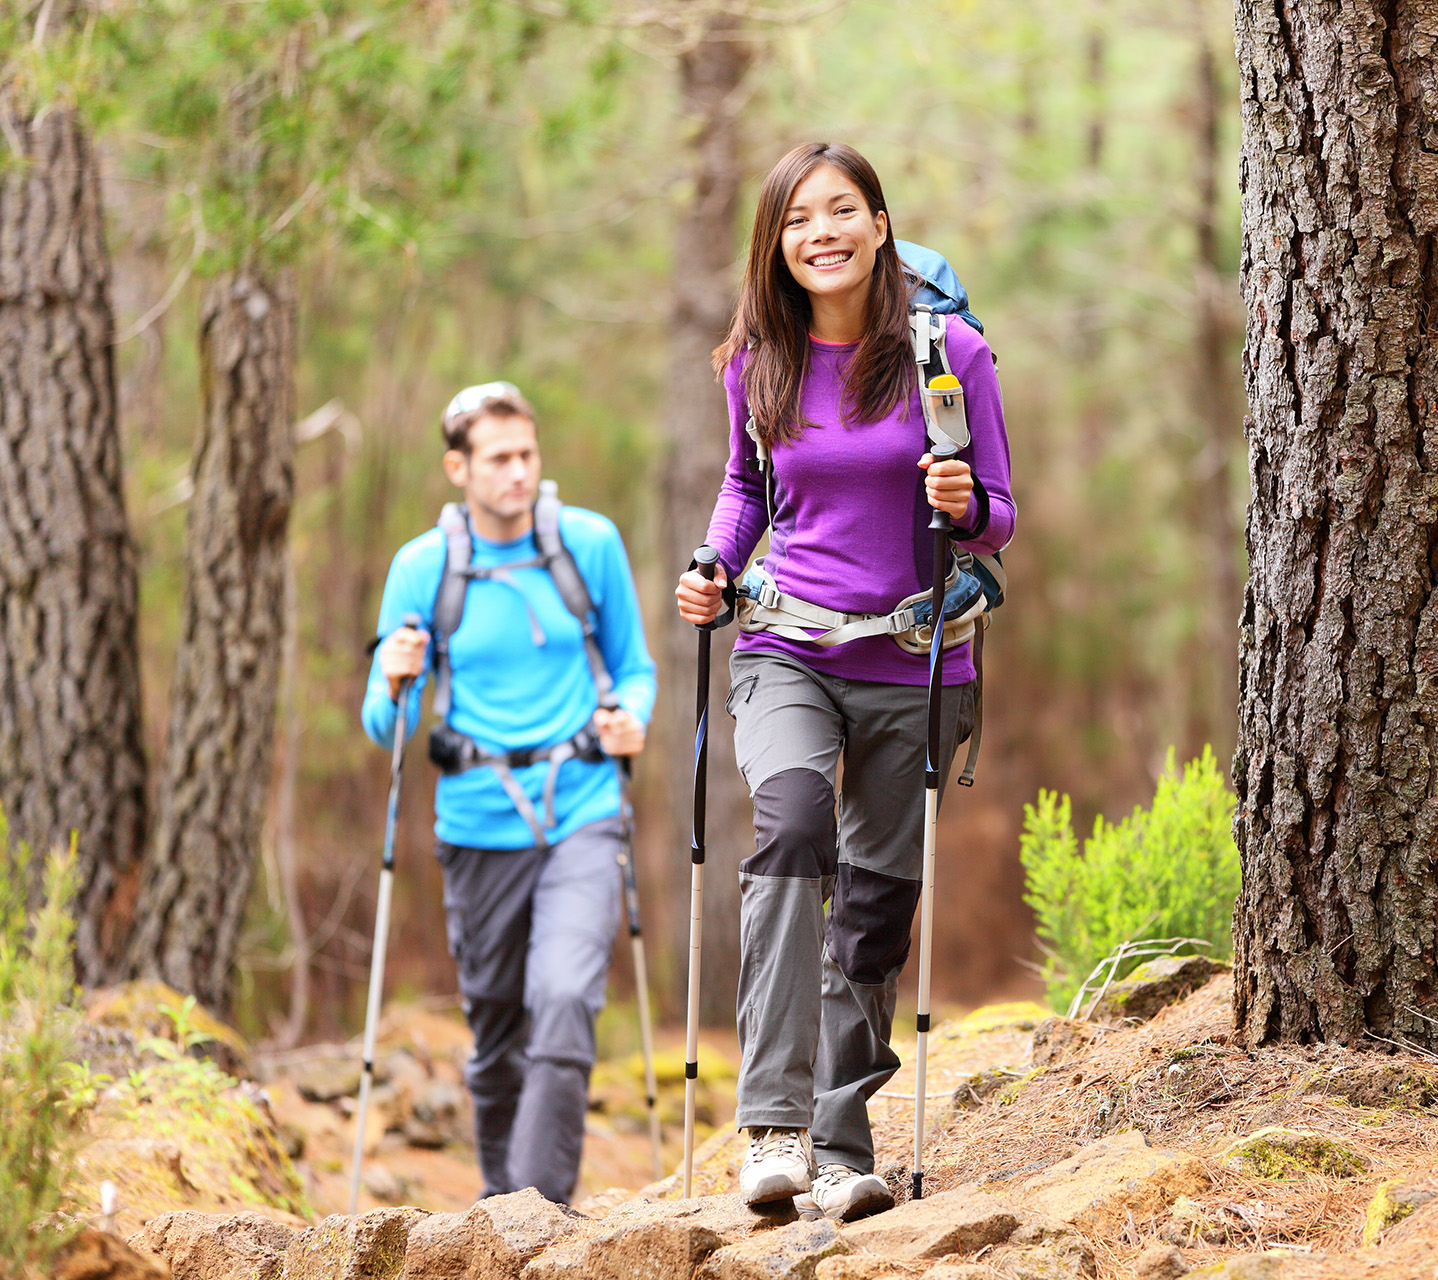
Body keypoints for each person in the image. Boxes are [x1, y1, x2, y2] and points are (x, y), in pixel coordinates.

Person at [676, 142, 1016, 1221]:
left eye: (840, 212)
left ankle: (839, 1141)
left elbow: (999, 512)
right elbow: (747, 485)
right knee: (787, 827)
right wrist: (715, 565)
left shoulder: (945, 351)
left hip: (916, 657)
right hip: (787, 646)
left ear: (878, 224)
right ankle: (771, 1125)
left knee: (873, 899)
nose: (819, 232)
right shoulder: (755, 358)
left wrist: (961, 501)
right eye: (796, 219)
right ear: (776, 244)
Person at [363, 382, 656, 1204]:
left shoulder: (588, 543)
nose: (518, 473)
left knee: (563, 998)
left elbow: (634, 667)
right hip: (476, 822)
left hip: (586, 807)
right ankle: (502, 1206)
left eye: (528, 454)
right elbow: (386, 732)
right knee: (496, 1025)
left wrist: (630, 717)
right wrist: (393, 681)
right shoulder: (423, 568)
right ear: (457, 467)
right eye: (498, 459)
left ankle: (540, 1212)